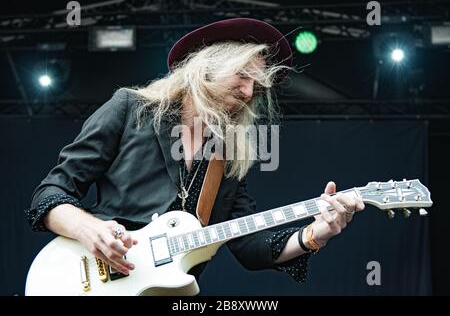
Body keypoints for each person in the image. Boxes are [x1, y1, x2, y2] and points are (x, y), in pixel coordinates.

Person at [26, 18, 364, 286]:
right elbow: (50, 193)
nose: (249, 93)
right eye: (243, 76)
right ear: (206, 67)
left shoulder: (226, 156)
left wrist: (315, 234)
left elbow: (249, 247)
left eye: (257, 87)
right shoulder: (131, 108)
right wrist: (90, 229)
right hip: (95, 277)